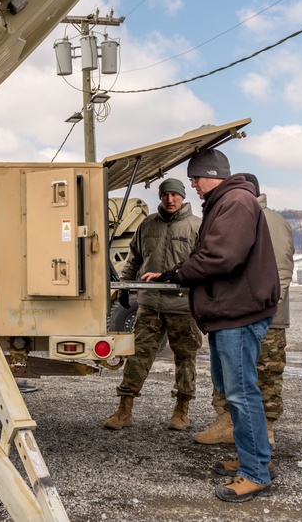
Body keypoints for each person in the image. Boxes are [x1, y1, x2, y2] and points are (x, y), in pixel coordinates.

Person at [144, 149, 279, 502]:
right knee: (234, 390)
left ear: (213, 174)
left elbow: (221, 256)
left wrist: (177, 274)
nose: (193, 186)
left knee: (240, 392)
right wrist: (174, 272)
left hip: (237, 313)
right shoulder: (227, 201)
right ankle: (255, 459)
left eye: (196, 179)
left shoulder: (234, 202)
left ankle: (255, 473)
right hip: (227, 313)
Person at [194, 173, 294, 453]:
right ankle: (234, 431)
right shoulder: (231, 213)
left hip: (261, 313)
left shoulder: (267, 219)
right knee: (237, 380)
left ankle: (266, 436)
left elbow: (281, 270)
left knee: (264, 378)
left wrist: (265, 313)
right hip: (243, 311)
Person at [103, 178, 202, 431]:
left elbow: (203, 265)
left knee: (185, 358)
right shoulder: (147, 225)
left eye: (175, 195)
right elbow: (134, 259)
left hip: (183, 306)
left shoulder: (196, 226)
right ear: (160, 197)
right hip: (150, 305)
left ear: (183, 196)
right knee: (138, 356)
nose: (170, 200)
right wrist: (125, 287)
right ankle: (124, 410)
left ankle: (181, 411)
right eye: (165, 195)